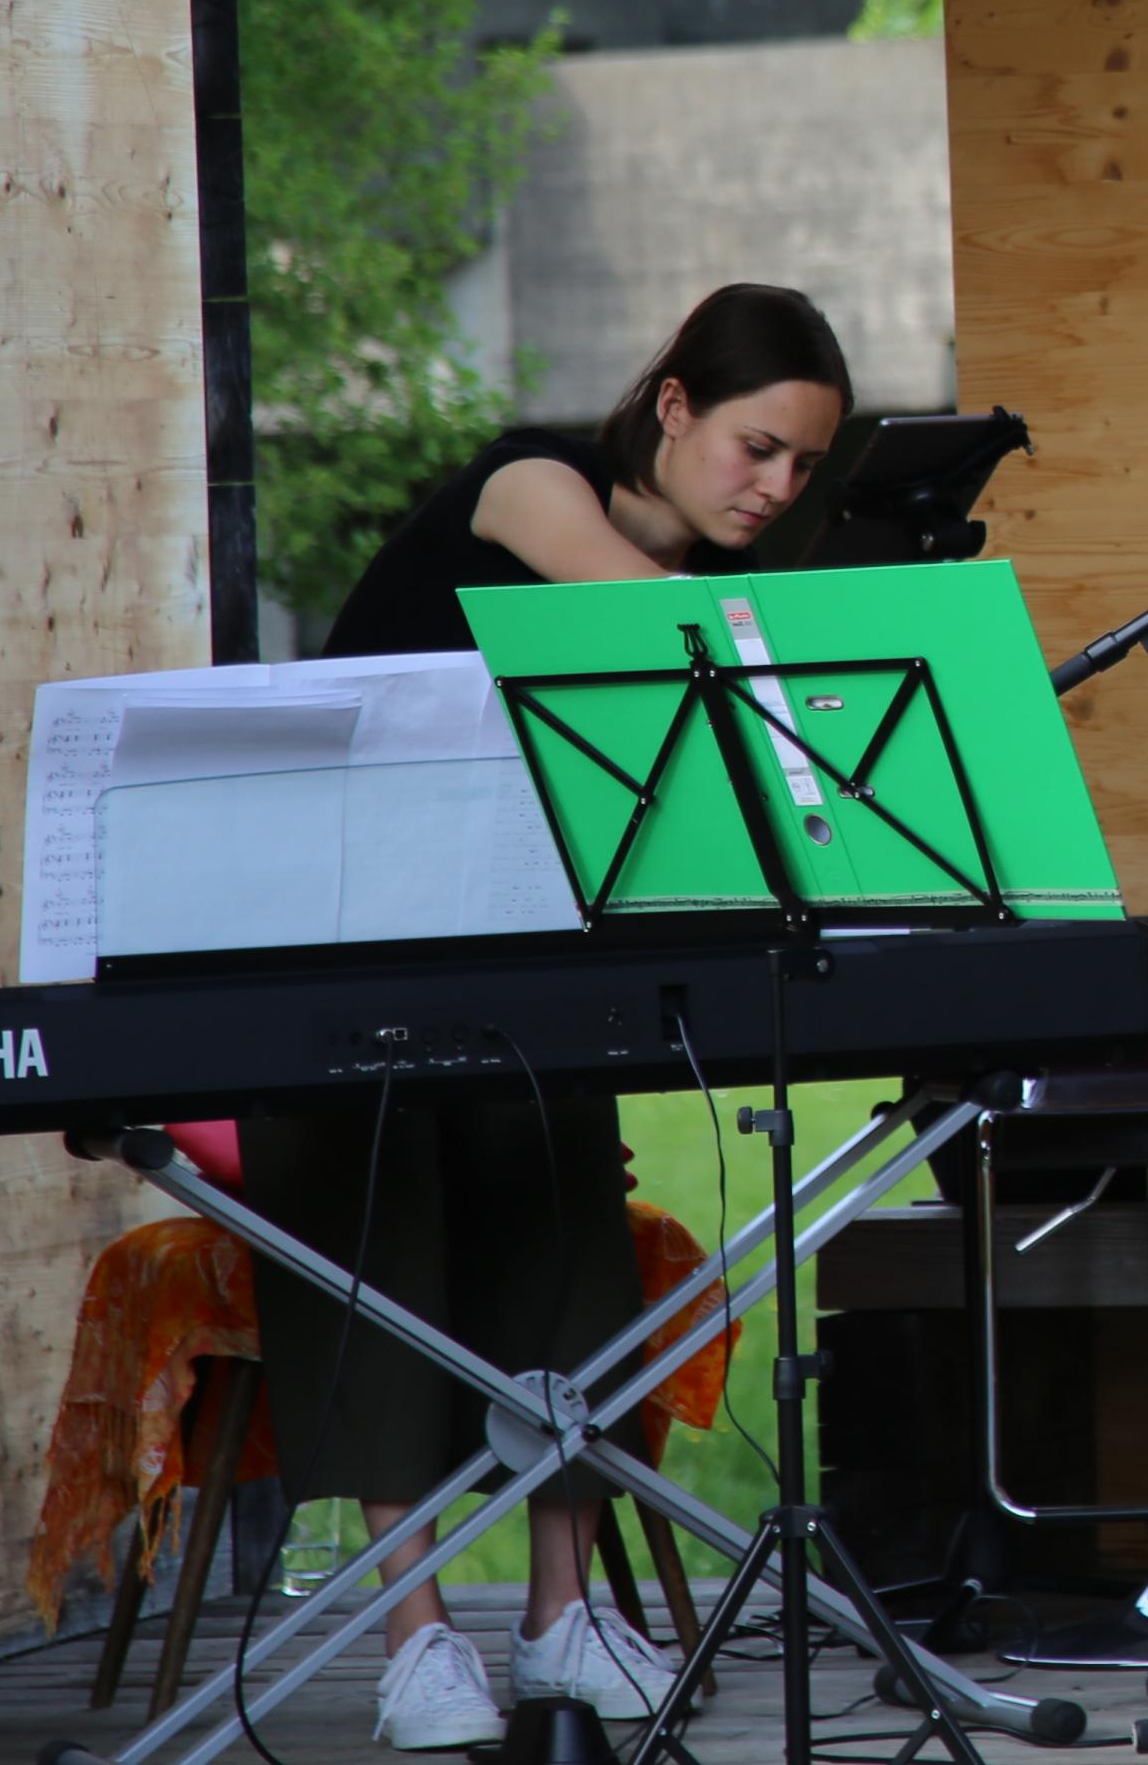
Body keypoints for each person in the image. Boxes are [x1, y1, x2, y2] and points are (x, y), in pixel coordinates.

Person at [240, 283, 854, 1748]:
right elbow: (642, 617)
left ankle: (560, 1619)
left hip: (519, 964)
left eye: (804, 467)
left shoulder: (696, 568)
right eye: (758, 447)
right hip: (338, 954)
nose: (776, 487)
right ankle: (416, 1635)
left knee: (568, 1195)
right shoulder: (533, 482)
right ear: (672, 406)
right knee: (383, 1219)